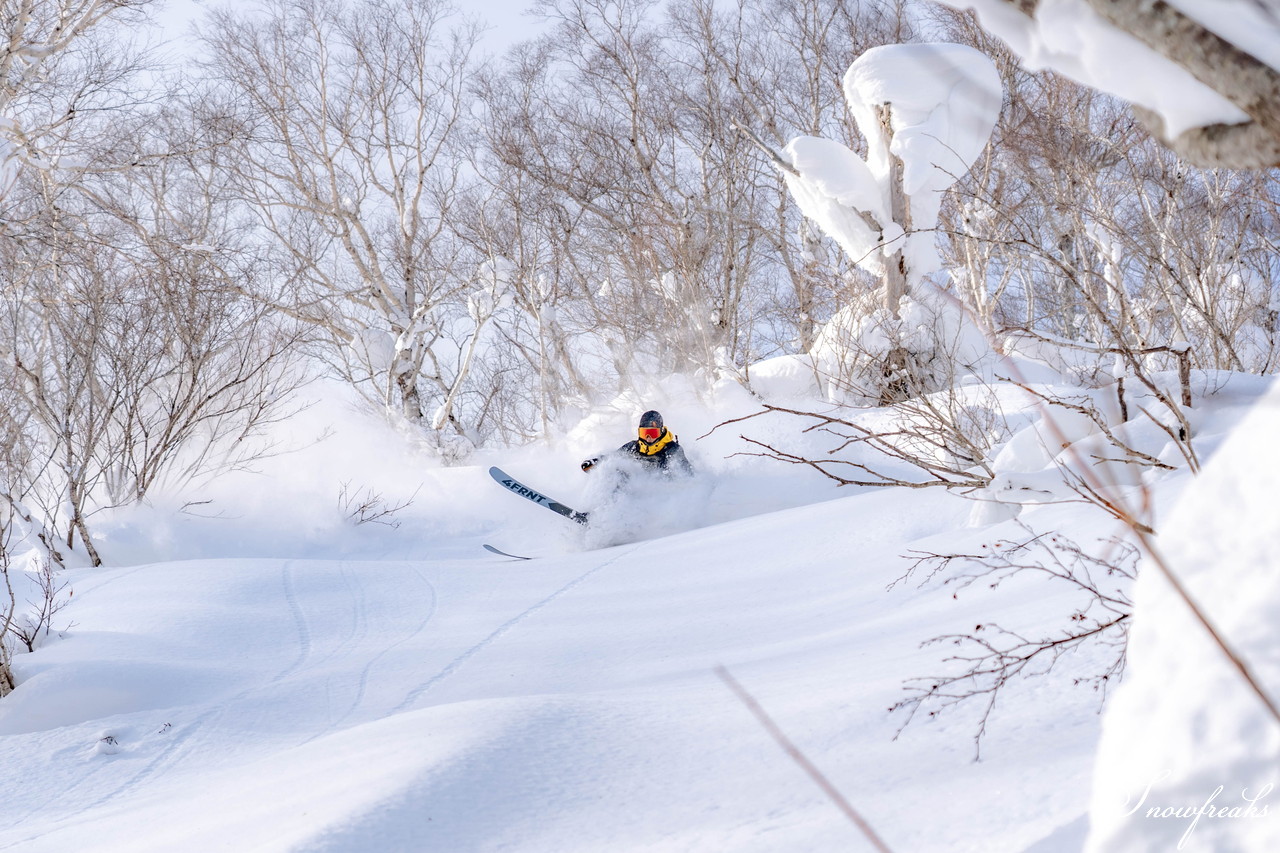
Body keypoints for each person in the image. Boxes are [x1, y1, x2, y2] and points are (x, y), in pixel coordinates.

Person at [581, 410, 694, 477]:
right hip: (635, 495)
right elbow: (613, 458)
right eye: (645, 433)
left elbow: (689, 476)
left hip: (663, 497)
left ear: (661, 432)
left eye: (653, 433)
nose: (649, 438)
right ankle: (602, 511)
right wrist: (596, 463)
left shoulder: (672, 450)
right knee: (617, 473)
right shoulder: (633, 447)